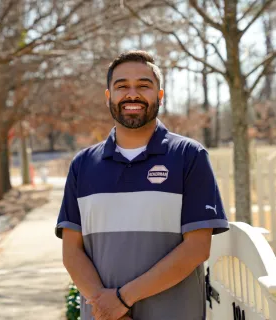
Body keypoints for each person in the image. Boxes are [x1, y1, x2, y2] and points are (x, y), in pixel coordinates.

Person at [56, 50, 229, 320]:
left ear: (159, 96)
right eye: (122, 86)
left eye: (143, 86)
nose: (132, 94)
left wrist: (123, 299)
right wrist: (107, 308)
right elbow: (71, 252)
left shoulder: (189, 156)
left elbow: (197, 248)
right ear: (108, 97)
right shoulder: (83, 165)